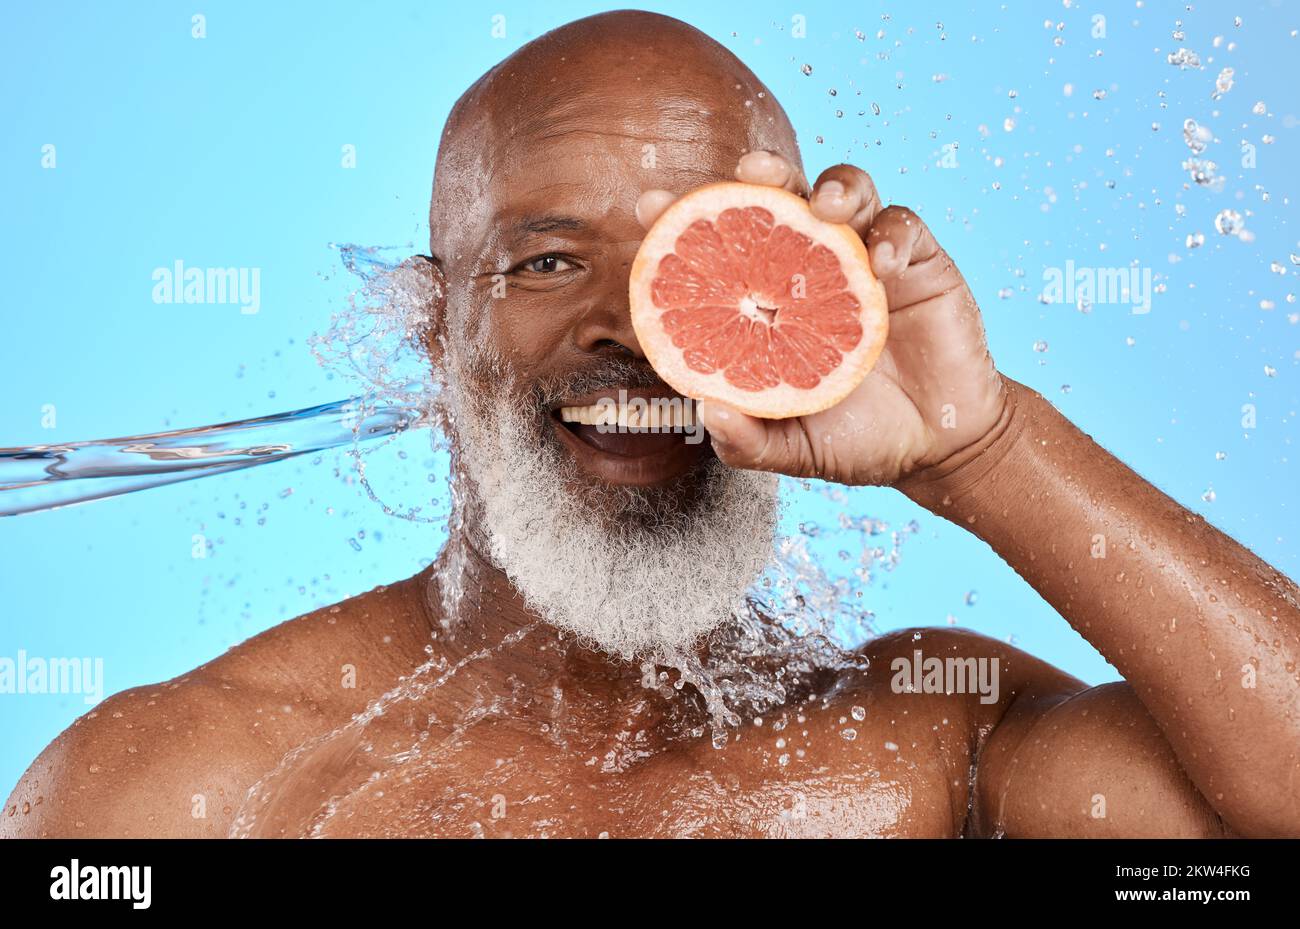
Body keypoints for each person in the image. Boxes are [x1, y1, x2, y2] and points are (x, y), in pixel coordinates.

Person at [6, 10, 1298, 838]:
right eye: (550, 262)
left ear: (800, 306)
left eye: (699, 263)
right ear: (428, 326)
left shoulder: (933, 750)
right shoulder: (188, 788)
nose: (635, 327)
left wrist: (987, 448)